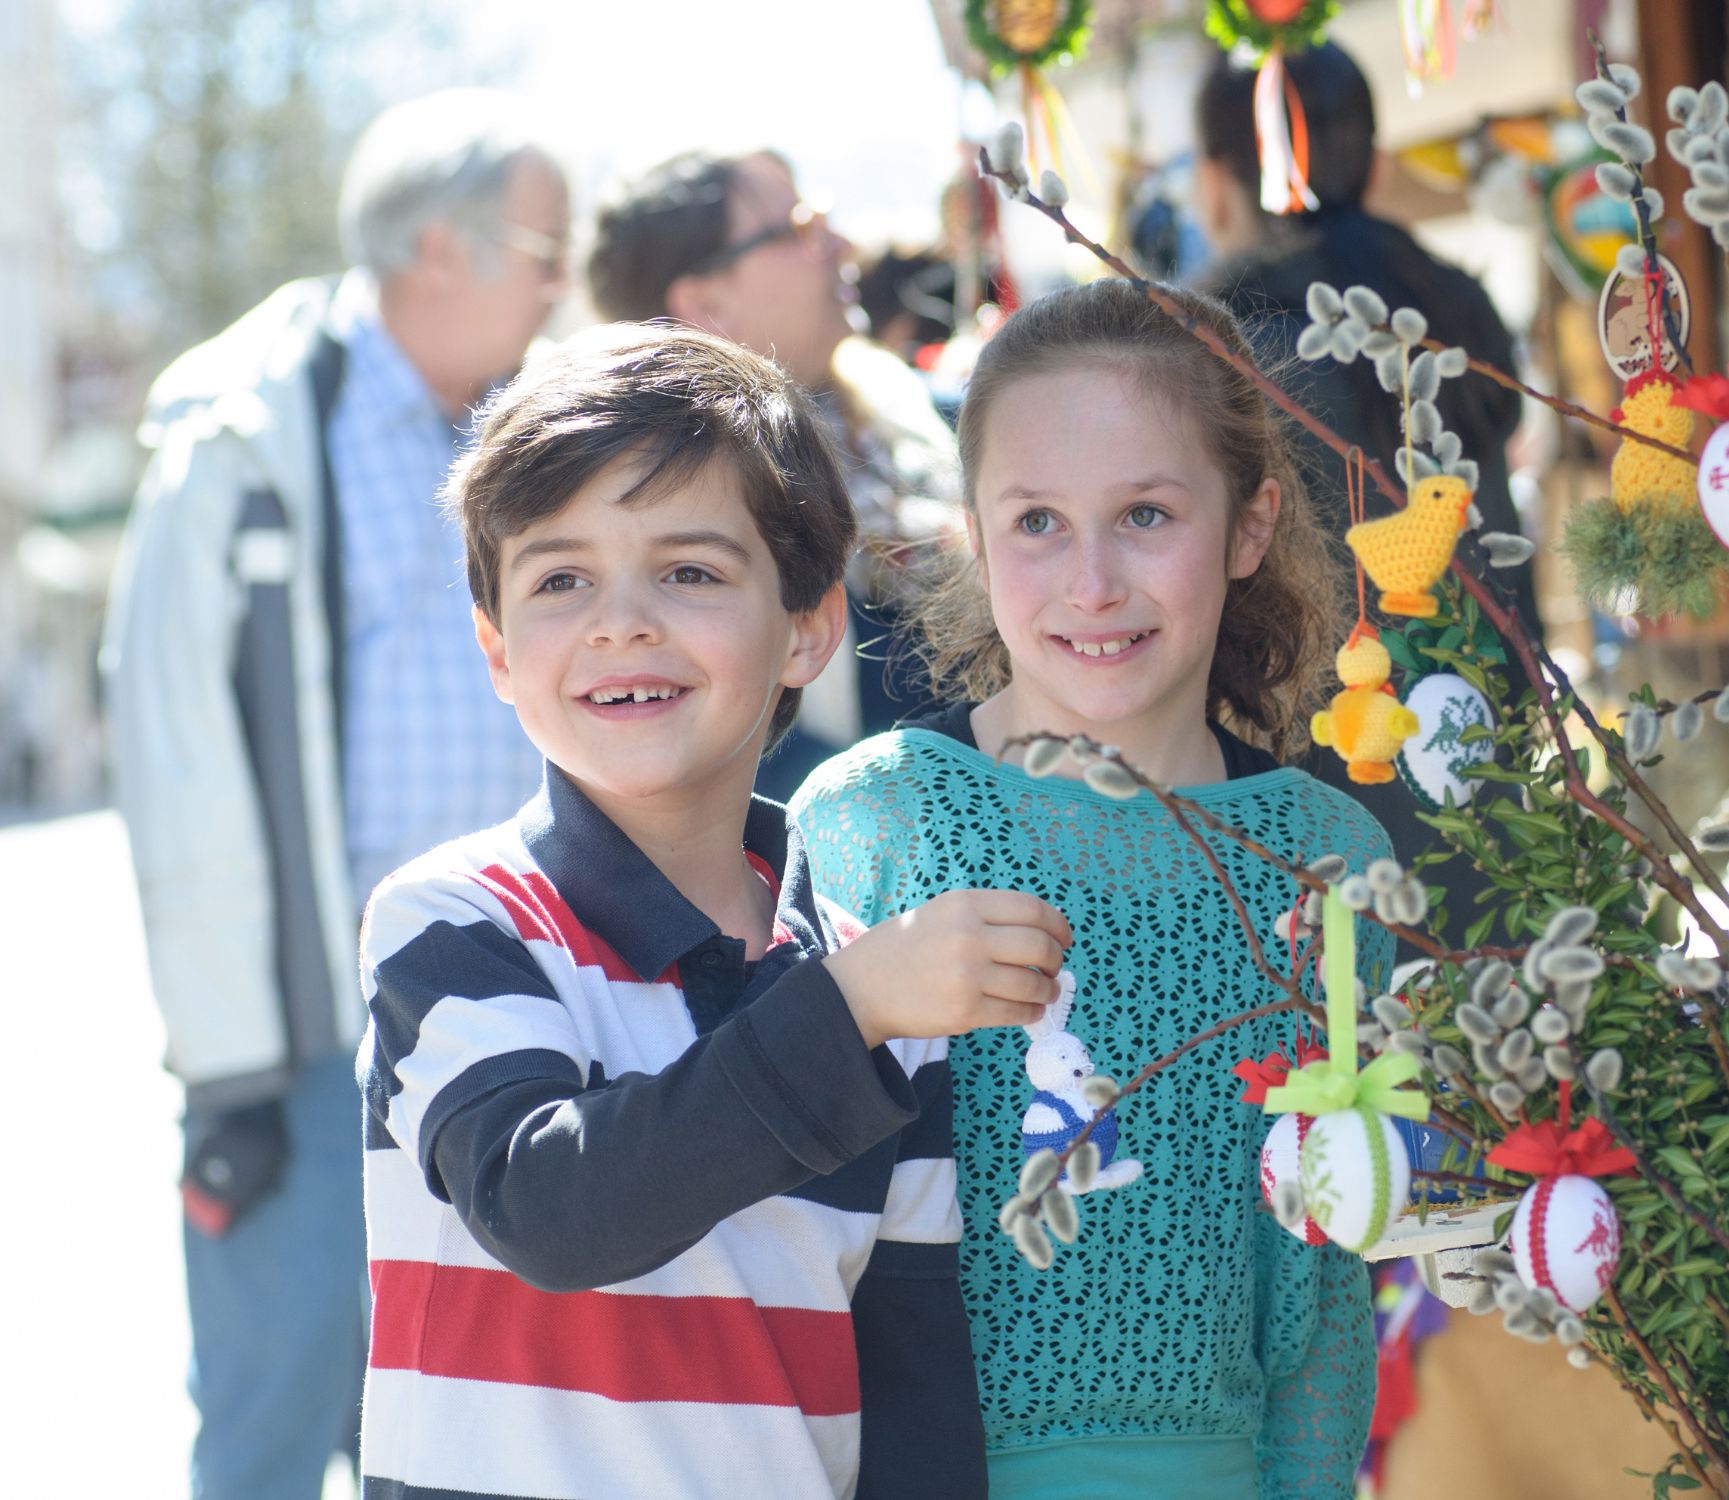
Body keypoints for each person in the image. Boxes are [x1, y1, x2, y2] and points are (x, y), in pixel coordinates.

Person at [357, 322, 1064, 1499]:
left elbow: (918, 1399)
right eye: (560, 578)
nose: (619, 621)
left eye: (688, 572)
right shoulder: (456, 922)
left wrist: (859, 1004)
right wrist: (846, 1012)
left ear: (809, 628)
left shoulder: (882, 987)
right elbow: (552, 1209)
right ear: (494, 648)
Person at [793, 279, 1385, 1499]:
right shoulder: (868, 827)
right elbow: (799, 1263)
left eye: (1149, 515)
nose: (1094, 582)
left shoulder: (1325, 859)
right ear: (973, 530)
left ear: (1249, 526)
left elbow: (1322, 1306)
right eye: (1039, 523)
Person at [100, 89, 568, 1499]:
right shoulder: (242, 430)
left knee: (467, 1432)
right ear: (441, 246)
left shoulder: (526, 420)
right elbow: (175, 760)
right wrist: (233, 1058)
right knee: (273, 1418)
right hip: (314, 1032)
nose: (566, 281)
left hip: (513, 999)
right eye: (547, 248)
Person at [1194, 42, 1539, 925]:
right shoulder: (1450, 307)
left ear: (1217, 182)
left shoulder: (1222, 352)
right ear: (1375, 162)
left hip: (1325, 796)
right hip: (1487, 745)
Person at [584, 148, 958, 794]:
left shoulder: (900, 418)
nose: (841, 244)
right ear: (706, 305)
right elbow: (744, 764)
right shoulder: (662, 512)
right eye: (798, 230)